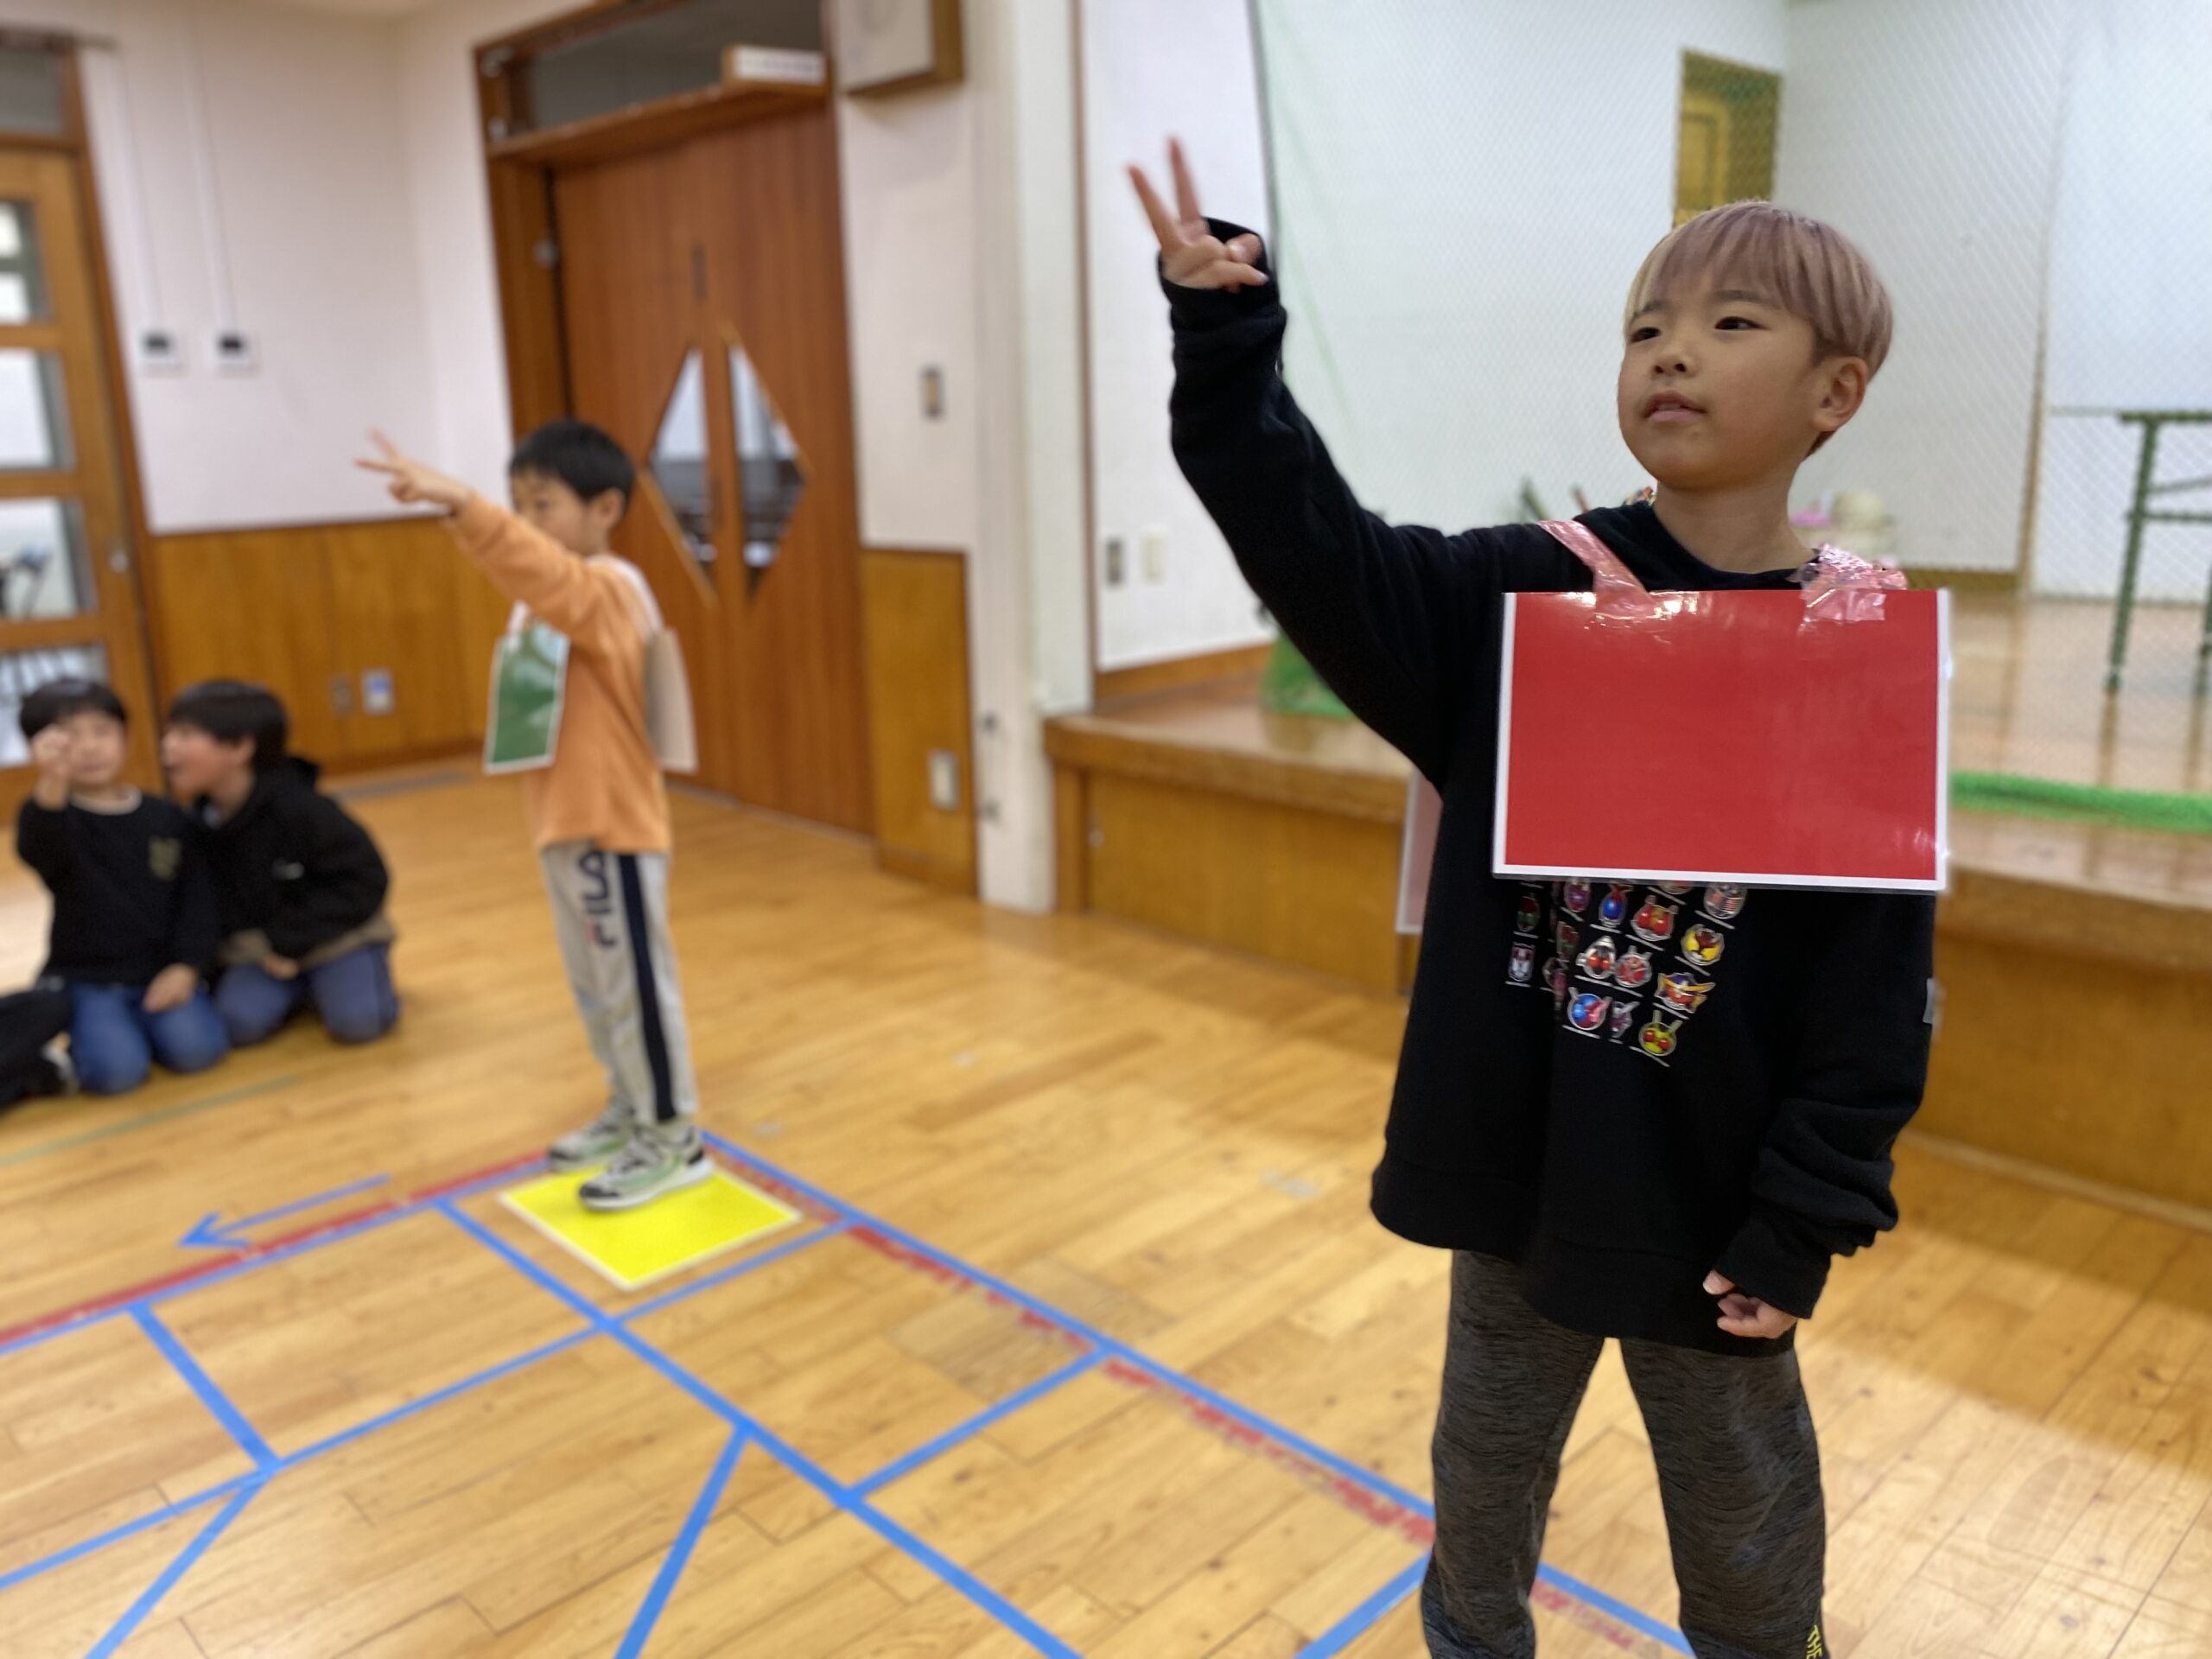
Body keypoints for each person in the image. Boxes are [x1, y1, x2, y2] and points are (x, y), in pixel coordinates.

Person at [1132, 143, 1933, 1659]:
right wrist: (1226, 342)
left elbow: (1877, 985)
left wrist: (1803, 1220)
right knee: (1481, 1505)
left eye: (1731, 323)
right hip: (1520, 1186)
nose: (1672, 351)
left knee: (1753, 1556)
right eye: (1646, 327)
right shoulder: (1517, 598)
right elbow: (1317, 551)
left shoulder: (1856, 648)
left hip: (1717, 1215)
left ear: (1837, 392)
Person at [356, 420, 707, 1212]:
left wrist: (465, 505)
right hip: (564, 824)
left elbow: (546, 575)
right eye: (518, 504)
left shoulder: (609, 588)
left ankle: (672, 1138)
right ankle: (630, 1104)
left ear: (605, 509)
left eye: (541, 505)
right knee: (596, 988)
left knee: (634, 986)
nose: (525, 521)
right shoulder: (548, 602)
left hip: (612, 827)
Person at [14, 678, 227, 1095]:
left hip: (158, 970)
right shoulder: (51, 814)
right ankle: (91, 1036)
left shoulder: (165, 816)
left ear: (126, 737)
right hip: (88, 977)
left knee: (199, 1052)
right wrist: (53, 779)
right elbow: (39, 849)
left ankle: (125, 1031)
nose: (89, 747)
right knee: (117, 1074)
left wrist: (187, 966)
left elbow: (196, 898)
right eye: (69, 736)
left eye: (101, 731)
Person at [161, 681, 399, 1048]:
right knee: (237, 1024)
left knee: (358, 1024)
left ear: (240, 748)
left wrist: (288, 943)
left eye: (185, 735)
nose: (168, 746)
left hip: (334, 938)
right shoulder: (197, 823)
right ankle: (305, 989)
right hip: (262, 950)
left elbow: (365, 881)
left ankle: (357, 971)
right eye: (169, 734)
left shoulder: (302, 810)